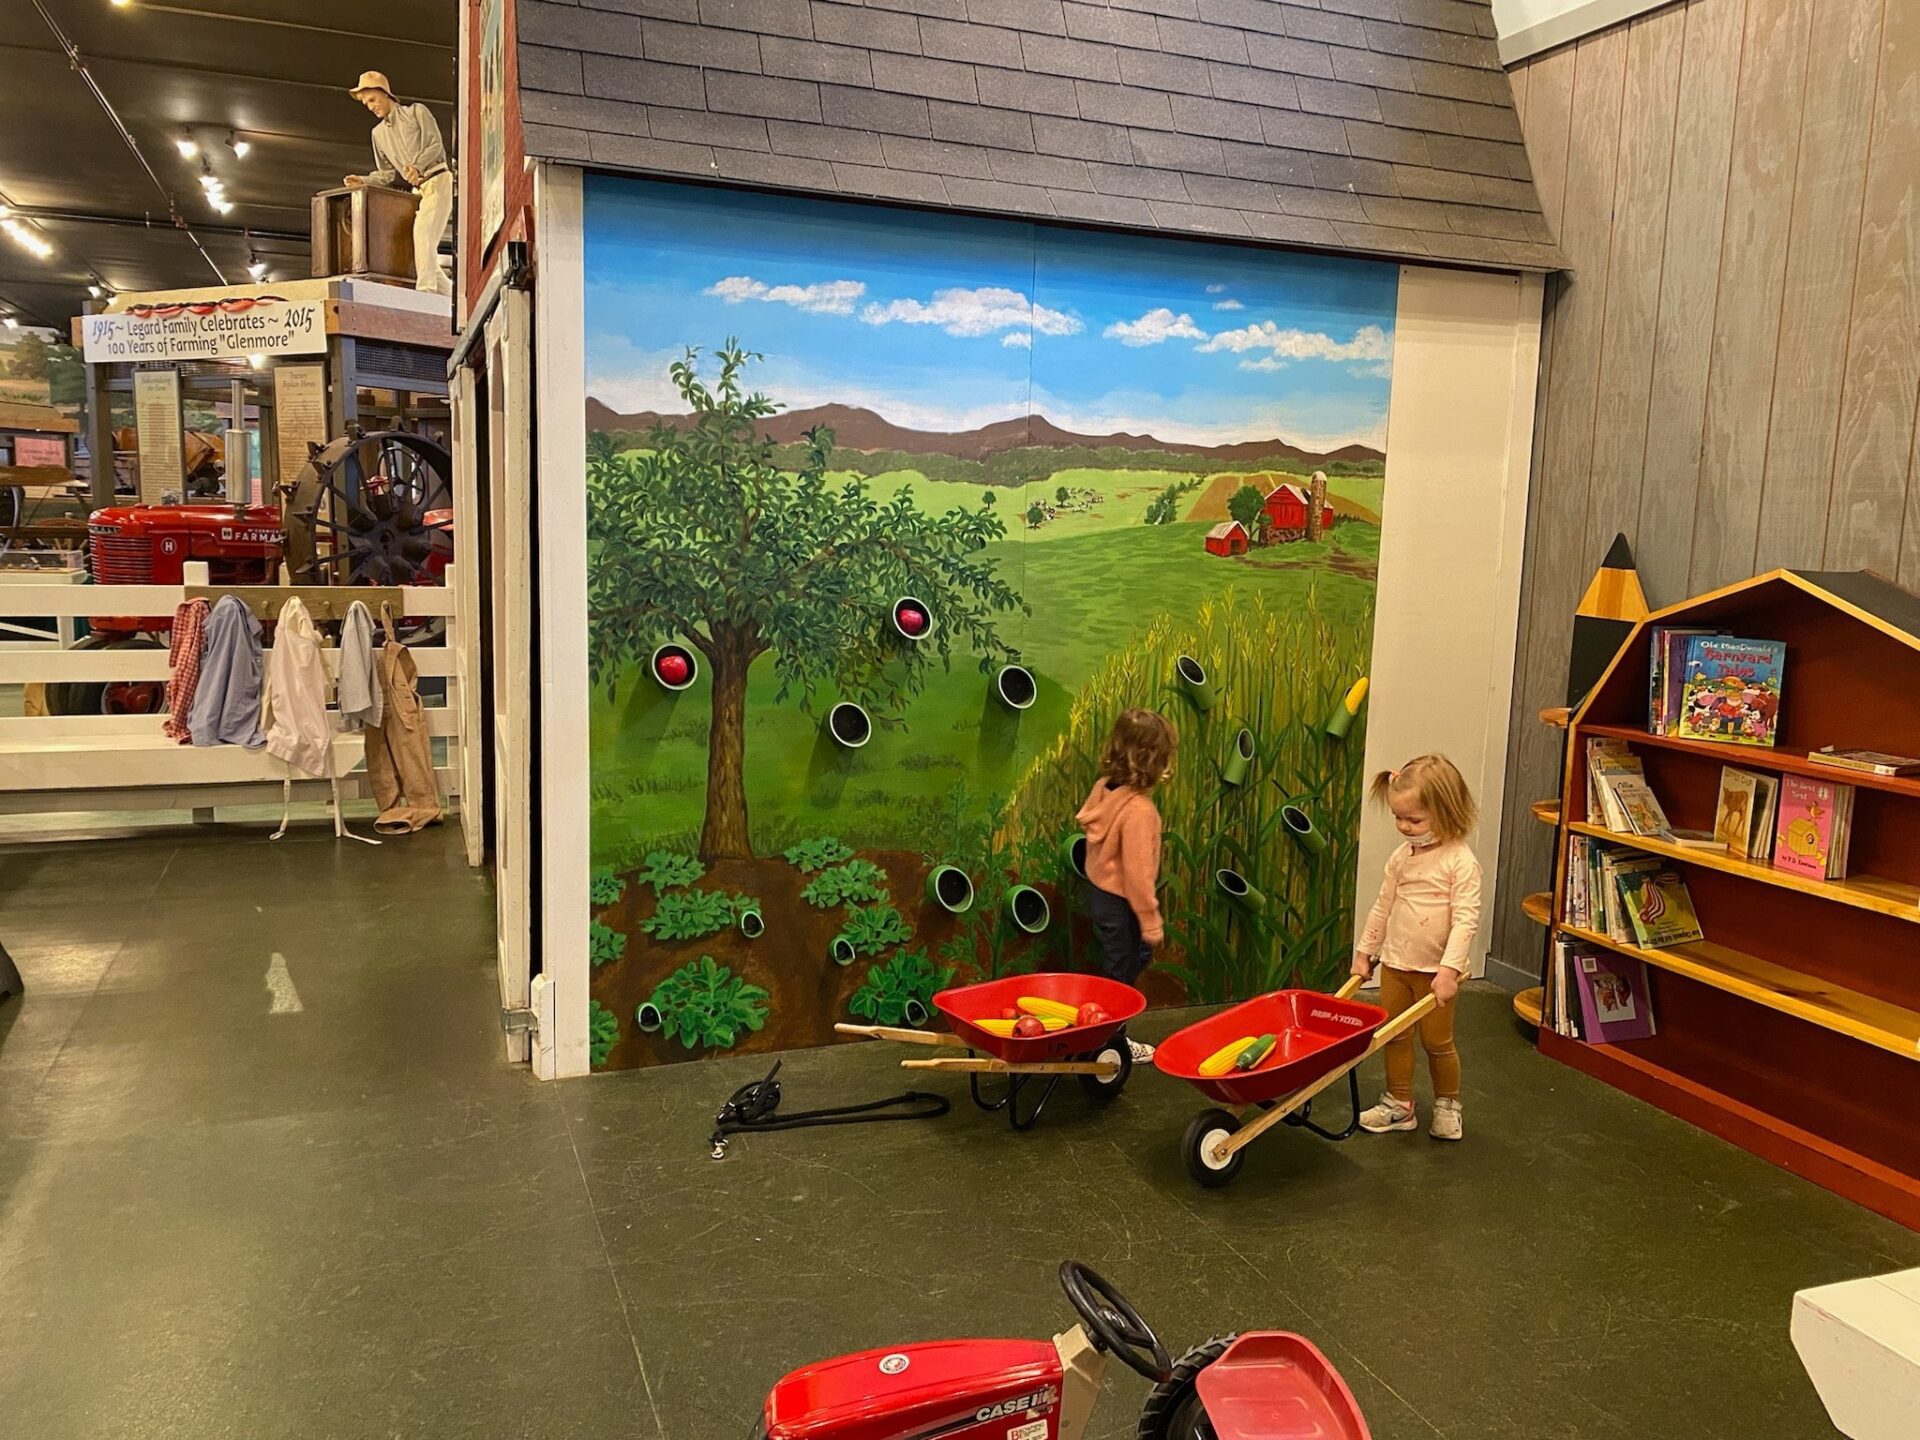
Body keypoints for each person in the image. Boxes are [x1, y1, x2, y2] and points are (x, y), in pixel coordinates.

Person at [1350, 754, 1482, 1141]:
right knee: (1393, 1034)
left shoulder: (1460, 862)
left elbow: (1465, 921)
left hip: (1434, 972)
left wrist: (1449, 970)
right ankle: (1399, 1104)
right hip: (1395, 963)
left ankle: (1447, 1104)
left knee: (1437, 1043)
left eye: (1415, 820)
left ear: (1447, 811)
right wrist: (1365, 953)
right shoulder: (1401, 858)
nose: (1404, 827)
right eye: (1398, 818)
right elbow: (1382, 907)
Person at [1076, 708, 1177, 1062]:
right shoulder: (1139, 812)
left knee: (1123, 963)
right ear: (1152, 762)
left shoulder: (1104, 789)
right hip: (1123, 902)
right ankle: (1110, 1041)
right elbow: (1137, 876)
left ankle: (1101, 1026)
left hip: (1101, 894)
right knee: (1123, 973)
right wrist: (1151, 922)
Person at [343, 71, 452, 296]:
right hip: (417, 191)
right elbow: (386, 175)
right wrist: (362, 180)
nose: (370, 106)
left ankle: (427, 293)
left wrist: (417, 166)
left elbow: (435, 145)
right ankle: (452, 298)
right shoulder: (378, 134)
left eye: (372, 99)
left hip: (437, 179)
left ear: (385, 93)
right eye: (365, 103)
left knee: (423, 236)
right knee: (420, 249)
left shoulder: (416, 112)